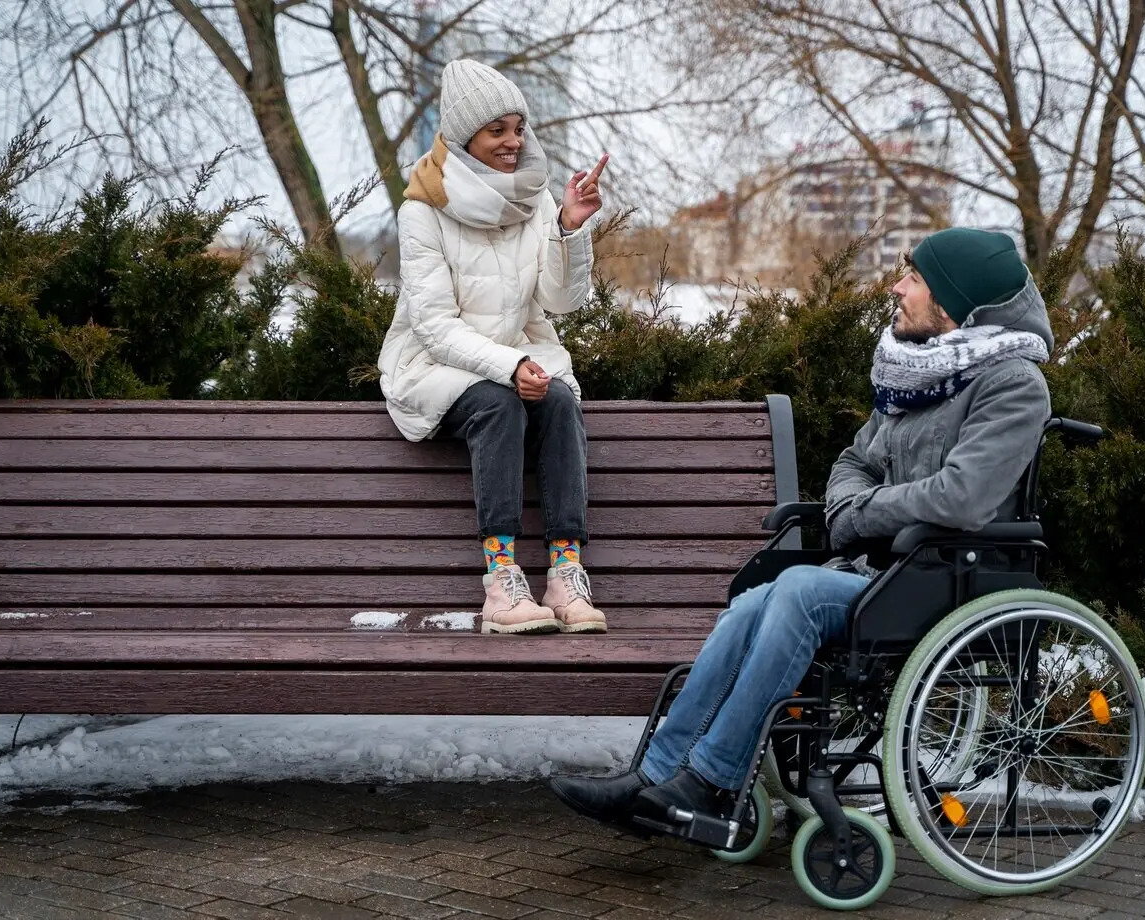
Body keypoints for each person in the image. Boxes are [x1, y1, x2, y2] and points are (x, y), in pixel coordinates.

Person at [550, 227, 1054, 827]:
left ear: (956, 301)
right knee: (753, 601)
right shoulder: (923, 374)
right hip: (887, 573)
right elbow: (853, 462)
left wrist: (861, 513)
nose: (897, 287)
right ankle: (656, 776)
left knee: (798, 591)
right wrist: (853, 507)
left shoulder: (1014, 384)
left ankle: (710, 783)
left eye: (915, 278)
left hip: (947, 579)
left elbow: (962, 498)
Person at [377, 59, 610, 635]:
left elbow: (560, 302)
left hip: (520, 356)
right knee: (499, 403)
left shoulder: (534, 200)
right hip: (436, 366)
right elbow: (433, 326)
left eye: (517, 128)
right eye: (496, 131)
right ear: (464, 139)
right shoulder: (422, 209)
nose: (513, 142)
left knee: (559, 401)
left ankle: (564, 573)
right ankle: (501, 583)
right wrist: (510, 367)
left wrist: (570, 229)